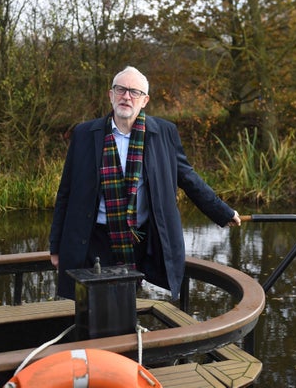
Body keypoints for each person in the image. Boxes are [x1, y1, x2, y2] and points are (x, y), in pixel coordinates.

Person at [49, 66, 241, 300]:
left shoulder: (164, 133)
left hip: (139, 241)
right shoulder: (84, 133)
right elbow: (65, 192)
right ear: (111, 95)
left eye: (134, 92)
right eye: (120, 90)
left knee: (126, 304)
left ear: (145, 100)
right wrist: (56, 247)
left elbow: (188, 178)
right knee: (90, 308)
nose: (126, 96)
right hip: (92, 240)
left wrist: (223, 212)